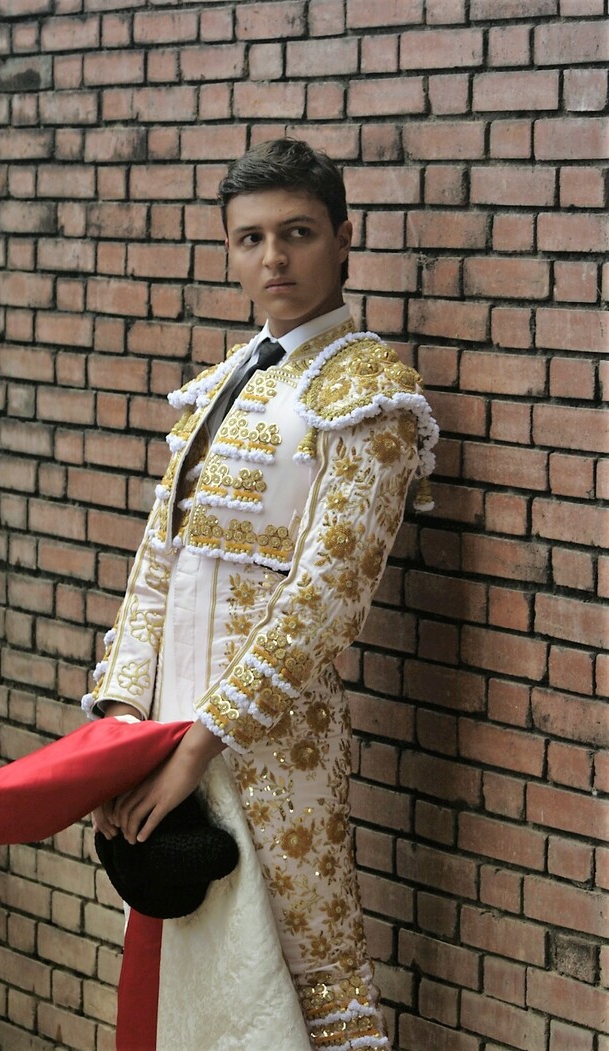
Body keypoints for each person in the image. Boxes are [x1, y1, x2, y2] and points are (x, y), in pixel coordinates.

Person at [84, 138, 438, 1050]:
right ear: (229, 250)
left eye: (297, 233)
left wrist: (196, 749)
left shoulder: (373, 394)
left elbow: (325, 604)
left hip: (275, 749)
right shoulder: (223, 385)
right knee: (180, 967)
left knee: (302, 970)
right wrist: (122, 726)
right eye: (251, 239)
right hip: (165, 732)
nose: (273, 258)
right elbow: (155, 567)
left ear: (344, 238)